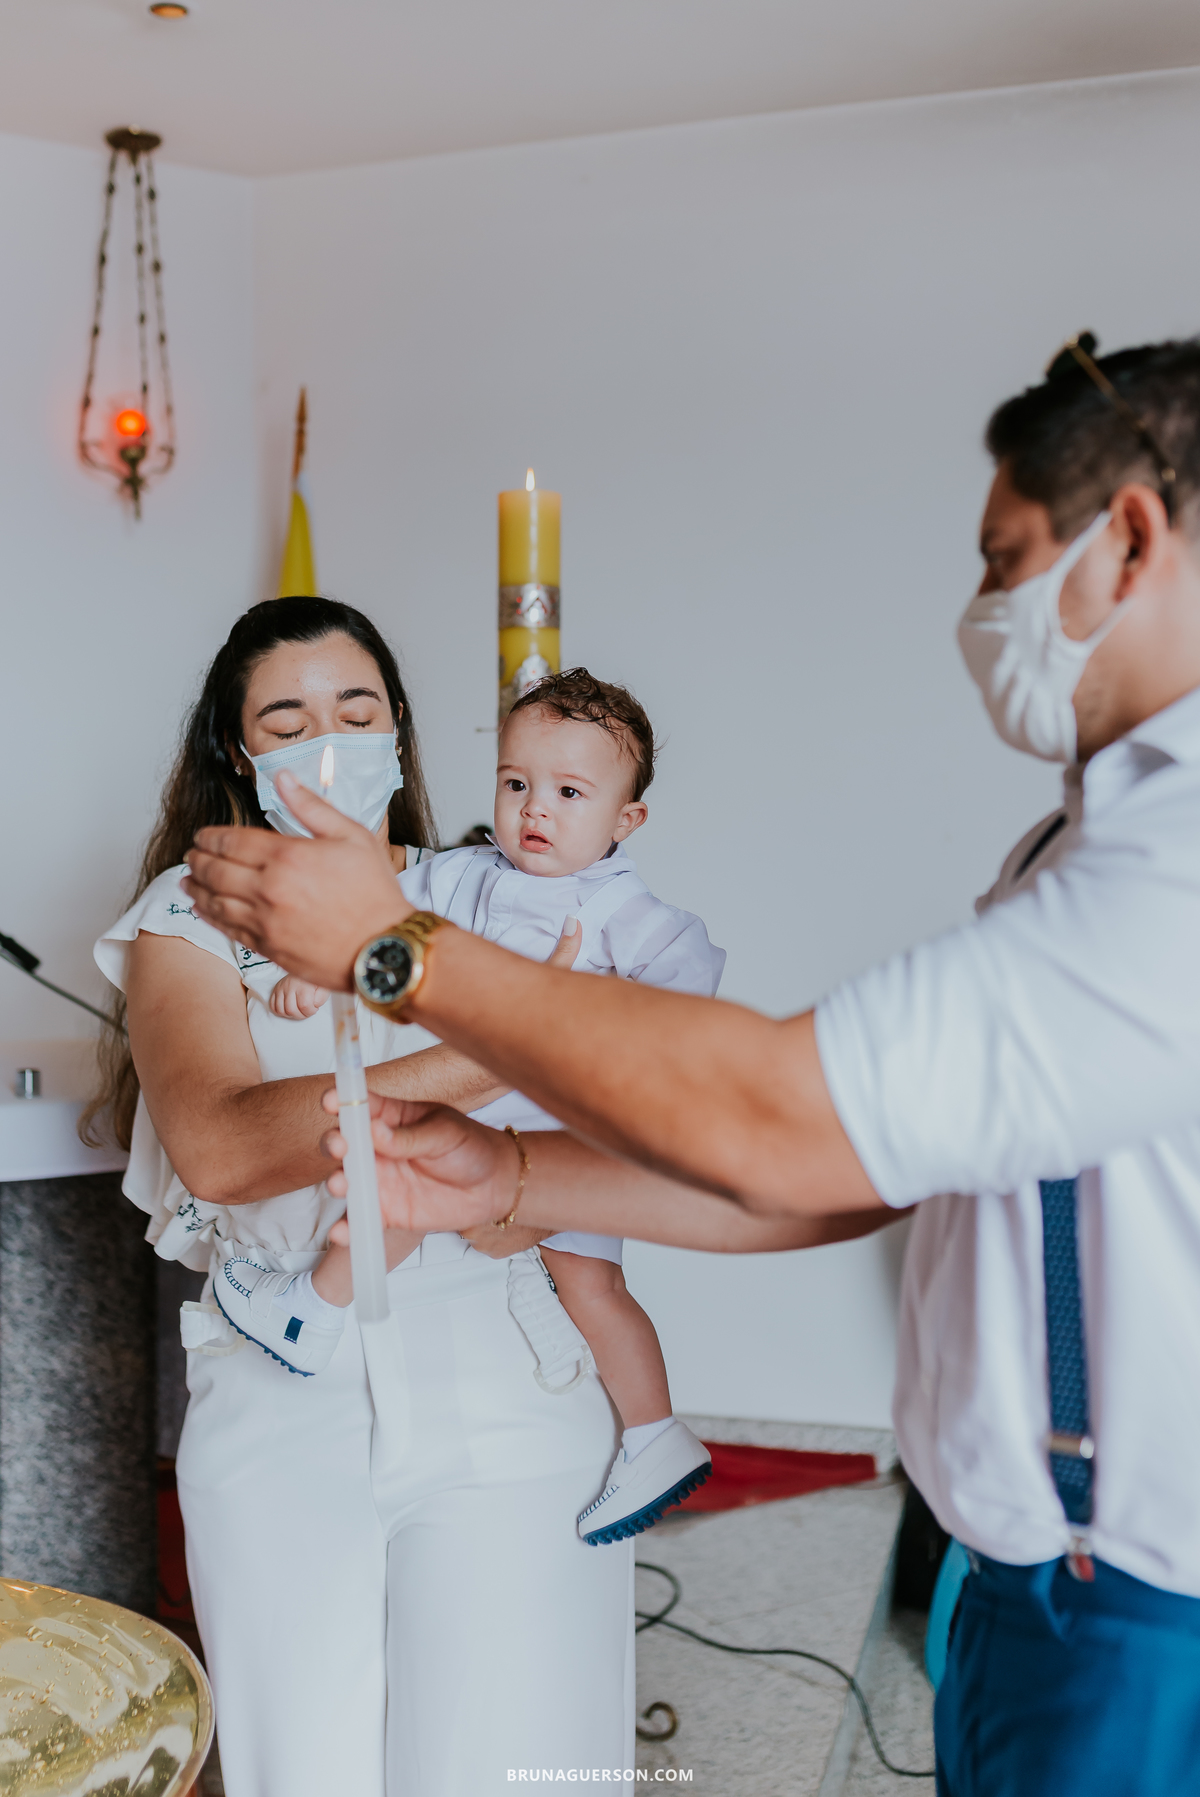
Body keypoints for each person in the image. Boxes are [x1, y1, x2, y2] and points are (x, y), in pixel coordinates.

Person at [184, 337, 1200, 1797]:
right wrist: (517, 1173)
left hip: (1145, 1609)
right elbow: (854, 1177)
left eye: (1006, 561)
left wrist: (398, 949)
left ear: (1134, 538)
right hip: (1018, 1579)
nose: (984, 610)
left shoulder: (1177, 867)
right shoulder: (1079, 845)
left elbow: (777, 1114)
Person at [90, 595, 661, 1797]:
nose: (329, 738)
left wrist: (531, 1152)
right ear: (238, 751)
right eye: (287, 718)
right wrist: (508, 1042)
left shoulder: (497, 894)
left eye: (357, 708)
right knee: (309, 1771)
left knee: (520, 1768)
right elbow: (227, 1151)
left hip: (511, 1363)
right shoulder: (186, 921)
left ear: (400, 726)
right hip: (286, 1378)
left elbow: (623, 1110)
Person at [257, 667, 722, 1544]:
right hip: (475, 1115)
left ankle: (655, 1432)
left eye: (569, 792)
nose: (534, 810)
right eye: (517, 784)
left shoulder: (616, 903)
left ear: (627, 821)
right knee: (408, 1186)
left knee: (591, 1278)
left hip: (561, 1138)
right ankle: (314, 1308)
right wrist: (313, 973)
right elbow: (376, 923)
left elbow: (688, 985)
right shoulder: (466, 875)